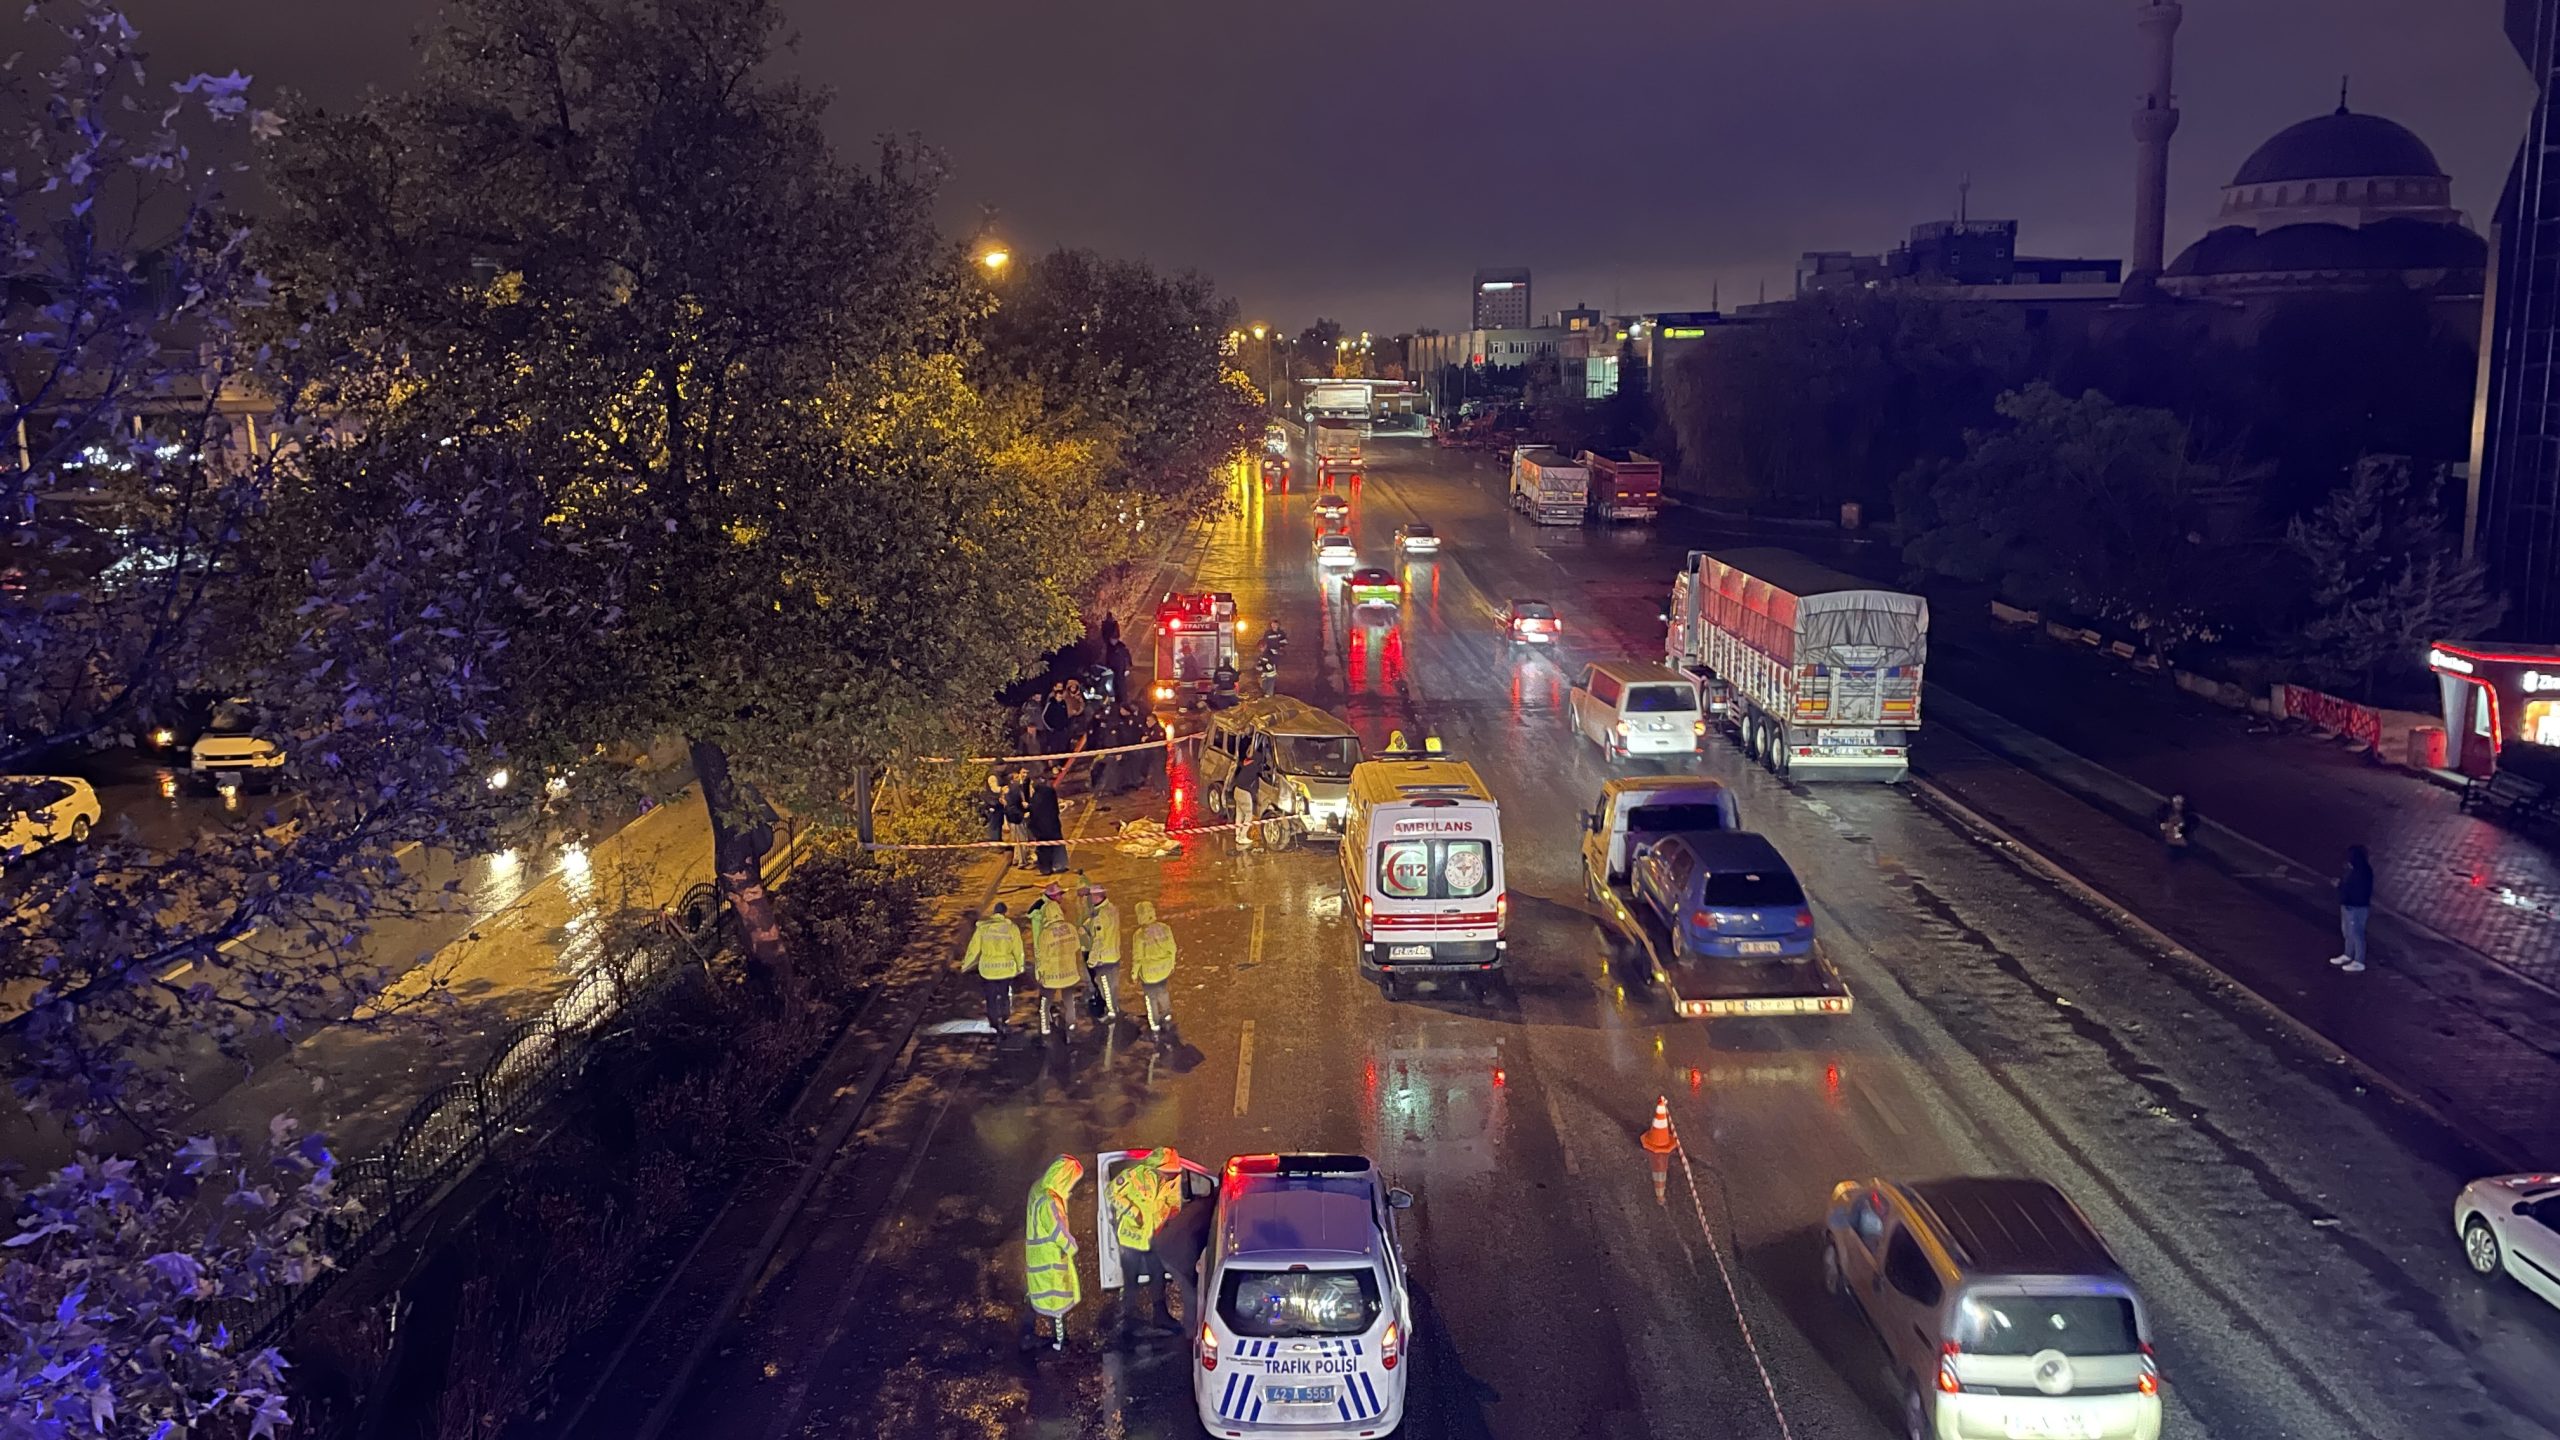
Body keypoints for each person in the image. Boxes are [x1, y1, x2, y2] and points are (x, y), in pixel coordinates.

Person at [1106, 1147, 1185, 1340]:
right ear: (1156, 1168)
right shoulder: (1133, 1176)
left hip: (1154, 1237)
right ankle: (1127, 1324)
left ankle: (1161, 1317)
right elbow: (1111, 1193)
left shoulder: (1172, 1181)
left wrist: (1170, 1218)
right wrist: (1132, 1211)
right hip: (1131, 1239)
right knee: (1131, 1282)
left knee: (1157, 1278)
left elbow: (1174, 1204)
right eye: (1168, 1171)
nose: (1171, 1175)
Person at [1022, 1154, 1083, 1352]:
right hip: (1050, 1256)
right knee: (1055, 1299)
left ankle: (1027, 1334)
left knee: (1037, 1294)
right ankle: (1060, 1343)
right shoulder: (1050, 1200)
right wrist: (1071, 1246)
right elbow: (1057, 1230)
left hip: (1037, 1254)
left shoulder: (1038, 1188)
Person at [961, 902, 1025, 1035]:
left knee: (990, 997)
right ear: (1004, 913)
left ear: (993, 913)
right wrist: (1020, 966)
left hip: (988, 970)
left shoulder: (983, 929)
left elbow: (973, 949)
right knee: (1004, 994)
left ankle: (994, 1023)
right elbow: (1018, 951)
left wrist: (965, 965)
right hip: (1006, 969)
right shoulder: (1012, 928)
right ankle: (1005, 1017)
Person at [1030, 885, 1086, 1035]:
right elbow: (1076, 949)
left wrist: (1039, 974)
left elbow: (1042, 956)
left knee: (1045, 1002)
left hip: (1051, 976)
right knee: (1069, 1000)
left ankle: (1045, 1026)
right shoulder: (1071, 928)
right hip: (1068, 973)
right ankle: (1072, 1024)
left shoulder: (1045, 934)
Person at [1132, 899, 1177, 1035]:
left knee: (1150, 998)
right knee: (1163, 992)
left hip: (1149, 973)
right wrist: (1172, 964)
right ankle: (1167, 1014)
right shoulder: (1165, 928)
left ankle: (1155, 1024)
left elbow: (1138, 958)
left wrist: (1134, 974)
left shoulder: (1139, 935)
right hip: (1164, 969)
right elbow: (1172, 948)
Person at [1082, 881, 1123, 1022]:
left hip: (1103, 959)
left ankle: (1111, 1013)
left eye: (1091, 896)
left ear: (1096, 896)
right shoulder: (1112, 909)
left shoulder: (1100, 917)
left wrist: (1091, 960)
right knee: (1113, 986)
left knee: (1105, 987)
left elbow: (1098, 941)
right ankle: (1115, 1007)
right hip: (1114, 955)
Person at [2331, 844, 2376, 973]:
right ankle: (2348, 954)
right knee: (2347, 932)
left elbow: (2354, 889)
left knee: (2357, 933)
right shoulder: (2354, 869)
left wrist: (2339, 885)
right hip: (2348, 904)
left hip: (2356, 907)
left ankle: (2359, 961)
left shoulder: (2361, 872)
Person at [1028, 772, 1067, 873]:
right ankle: (1059, 865)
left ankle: (1045, 868)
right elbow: (1055, 809)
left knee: (1044, 848)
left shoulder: (1035, 799)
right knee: (1058, 844)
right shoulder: (1050, 792)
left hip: (1041, 829)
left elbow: (1033, 814)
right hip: (1053, 824)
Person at [1002, 768, 1034, 868]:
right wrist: (1022, 815)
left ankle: (1016, 859)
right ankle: (1023, 862)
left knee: (1018, 841)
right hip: (1016, 818)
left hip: (1016, 817)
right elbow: (1010, 807)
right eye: (1016, 777)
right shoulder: (1012, 790)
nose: (1024, 776)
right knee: (1022, 840)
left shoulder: (1020, 786)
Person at [2153, 793, 2198, 857]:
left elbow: (2191, 824)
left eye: (2179, 803)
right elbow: (2157, 819)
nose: (2177, 805)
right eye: (2176, 802)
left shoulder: (2188, 817)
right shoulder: (2164, 810)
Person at [980, 772, 1009, 847]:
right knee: (993, 827)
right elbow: (993, 791)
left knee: (998, 825)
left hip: (998, 809)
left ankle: (998, 842)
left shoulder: (1000, 785)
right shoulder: (992, 778)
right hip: (992, 809)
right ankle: (993, 843)